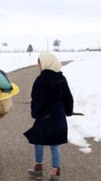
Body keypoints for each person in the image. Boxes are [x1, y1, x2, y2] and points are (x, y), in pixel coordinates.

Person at [23, 52, 74, 181]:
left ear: (45, 63)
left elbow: (37, 99)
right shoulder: (61, 78)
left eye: (39, 63)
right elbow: (68, 97)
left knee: (39, 142)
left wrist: (34, 113)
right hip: (58, 117)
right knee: (54, 145)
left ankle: (38, 171)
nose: (38, 66)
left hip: (44, 117)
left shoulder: (41, 79)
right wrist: (68, 111)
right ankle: (55, 173)